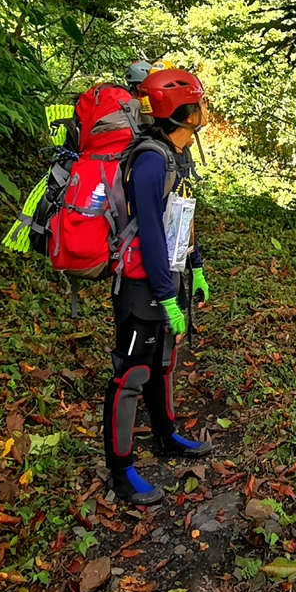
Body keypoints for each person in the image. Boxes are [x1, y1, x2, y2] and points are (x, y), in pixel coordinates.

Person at [103, 67, 212, 505]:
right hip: (140, 283)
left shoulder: (177, 154)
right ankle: (120, 469)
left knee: (162, 363)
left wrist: (196, 267)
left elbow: (180, 219)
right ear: (182, 110)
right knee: (131, 372)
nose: (205, 109)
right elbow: (149, 230)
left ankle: (165, 435)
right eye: (200, 102)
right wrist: (166, 296)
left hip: (170, 276)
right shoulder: (151, 159)